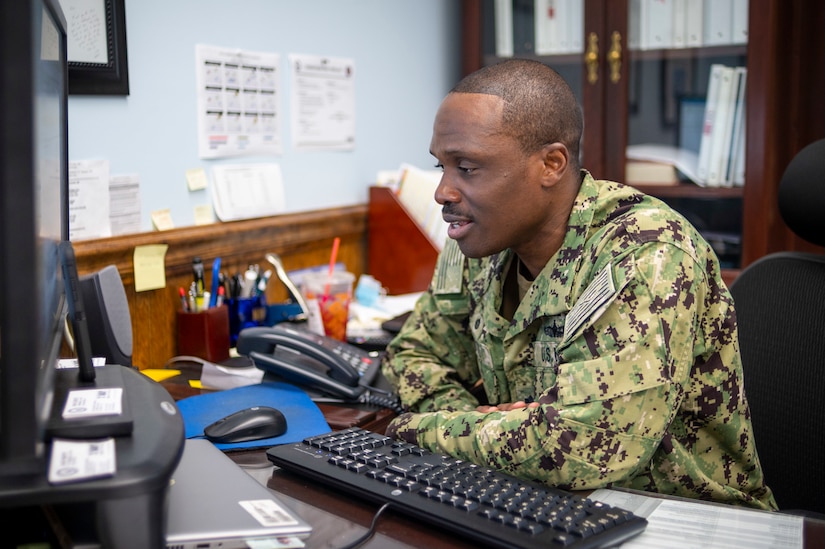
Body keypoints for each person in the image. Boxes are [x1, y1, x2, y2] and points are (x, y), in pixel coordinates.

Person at [380, 58, 776, 510]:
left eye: (467, 168)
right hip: (534, 501)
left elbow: (582, 444)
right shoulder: (479, 240)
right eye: (441, 166)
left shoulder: (646, 252)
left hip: (680, 517)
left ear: (551, 164)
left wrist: (420, 430)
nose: (443, 192)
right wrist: (472, 423)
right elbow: (411, 355)